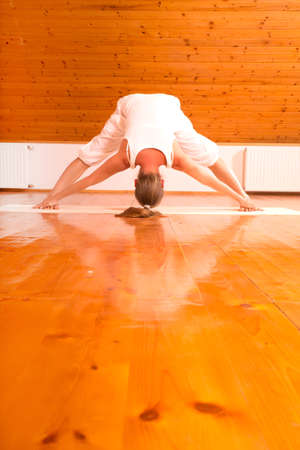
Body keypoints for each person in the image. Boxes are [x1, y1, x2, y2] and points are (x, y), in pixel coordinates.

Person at [34, 93, 261, 213]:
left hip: (159, 106)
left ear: (161, 182)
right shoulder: (124, 157)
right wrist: (52, 197)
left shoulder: (177, 159)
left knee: (89, 156)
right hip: (153, 105)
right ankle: (245, 199)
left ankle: (245, 199)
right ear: (136, 183)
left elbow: (210, 181)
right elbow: (89, 181)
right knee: (209, 155)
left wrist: (52, 197)